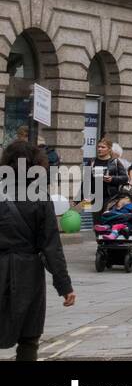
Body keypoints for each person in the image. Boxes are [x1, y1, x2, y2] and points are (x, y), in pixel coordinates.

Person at [0, 140, 75, 362]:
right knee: (29, 337)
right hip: (29, 274)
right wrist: (64, 286)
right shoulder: (41, 197)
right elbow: (52, 247)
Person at [89, 138, 128, 223]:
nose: (99, 149)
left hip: (110, 197)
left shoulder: (115, 162)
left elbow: (125, 178)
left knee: (108, 222)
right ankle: (98, 236)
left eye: (103, 147)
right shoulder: (92, 162)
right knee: (97, 223)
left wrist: (112, 179)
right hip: (96, 198)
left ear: (109, 149)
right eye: (98, 147)